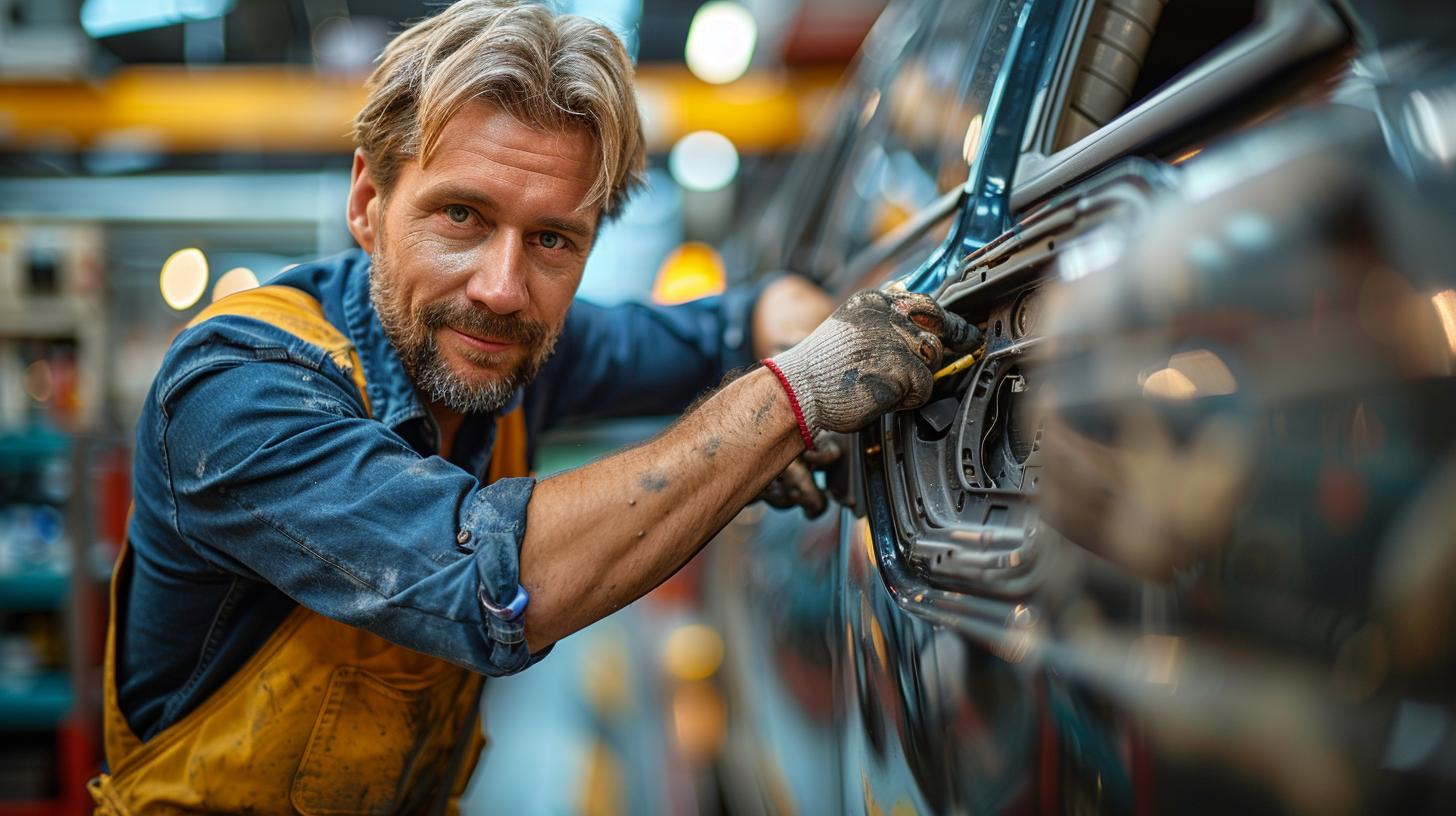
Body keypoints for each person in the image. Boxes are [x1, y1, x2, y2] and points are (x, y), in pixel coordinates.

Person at [88, 1, 970, 811]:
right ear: (367, 201)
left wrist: (783, 316)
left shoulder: (517, 346)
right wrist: (795, 399)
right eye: (462, 216)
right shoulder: (237, 389)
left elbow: (715, 331)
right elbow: (492, 583)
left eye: (553, 239)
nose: (504, 289)